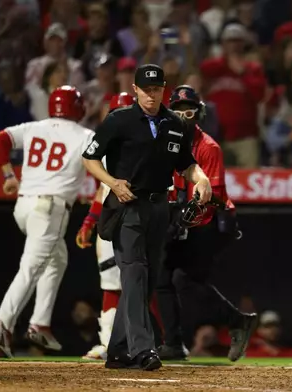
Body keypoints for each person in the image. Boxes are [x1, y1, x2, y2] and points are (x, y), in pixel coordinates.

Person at [81, 64, 212, 371]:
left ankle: (118, 350)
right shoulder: (119, 120)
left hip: (158, 207)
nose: (152, 95)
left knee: (149, 279)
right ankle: (144, 349)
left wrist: (202, 178)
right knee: (135, 274)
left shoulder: (174, 123)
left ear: (163, 89)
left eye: (157, 89)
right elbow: (89, 158)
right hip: (126, 207)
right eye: (147, 89)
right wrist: (113, 182)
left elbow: (186, 164)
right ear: (136, 90)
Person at [0, 86, 93, 358]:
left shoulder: (35, 127)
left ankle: (39, 324)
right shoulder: (85, 135)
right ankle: (3, 322)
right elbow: (102, 163)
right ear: (77, 107)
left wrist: (9, 175)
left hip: (24, 207)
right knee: (31, 267)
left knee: (57, 259)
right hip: (50, 209)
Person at [156, 85, 256, 362]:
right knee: (162, 278)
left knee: (184, 279)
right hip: (178, 215)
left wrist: (183, 226)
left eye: (189, 112)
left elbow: (213, 198)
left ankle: (236, 321)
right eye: (178, 112)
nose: (183, 118)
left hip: (210, 221)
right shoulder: (164, 142)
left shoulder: (208, 147)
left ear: (198, 114)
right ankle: (174, 343)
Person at [76, 92, 163, 361]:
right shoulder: (107, 140)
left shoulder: (149, 137)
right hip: (113, 216)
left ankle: (144, 341)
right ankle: (110, 342)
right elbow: (103, 190)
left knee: (138, 283)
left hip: (140, 214)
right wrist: (91, 220)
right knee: (114, 284)